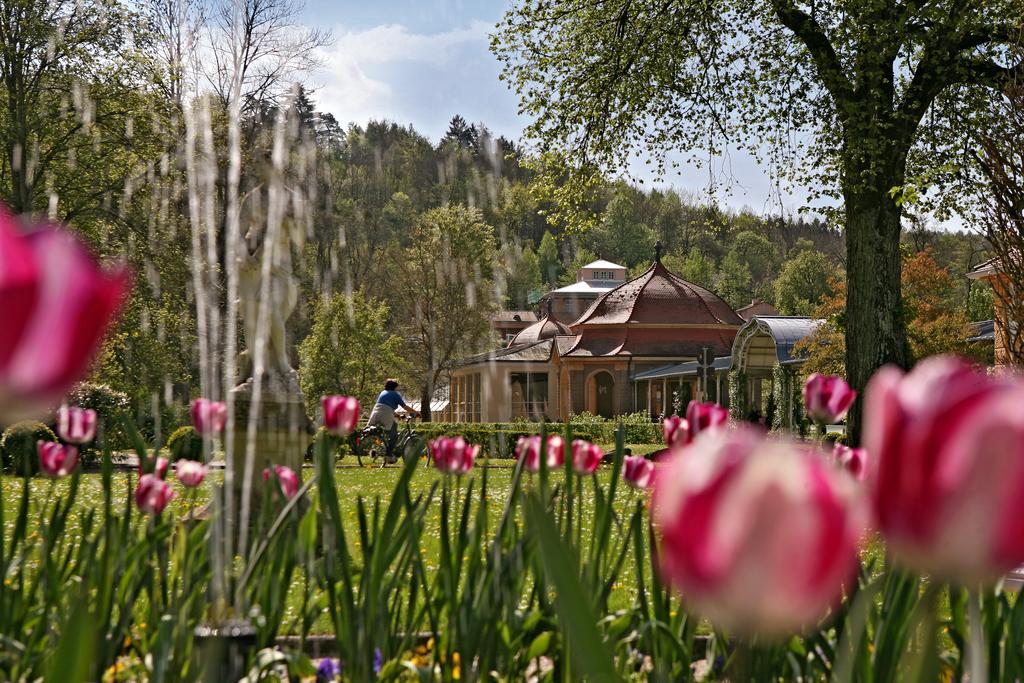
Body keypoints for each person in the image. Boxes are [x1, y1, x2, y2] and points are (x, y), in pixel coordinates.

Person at [367, 379, 418, 460]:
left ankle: (377, 448)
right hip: (386, 415)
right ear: (395, 387)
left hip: (375, 413)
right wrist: (417, 413)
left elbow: (385, 407)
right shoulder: (395, 394)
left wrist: (397, 415)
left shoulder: (382, 393)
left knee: (377, 431)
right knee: (393, 432)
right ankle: (389, 454)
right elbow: (404, 407)